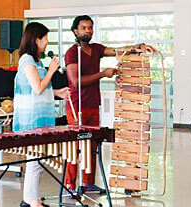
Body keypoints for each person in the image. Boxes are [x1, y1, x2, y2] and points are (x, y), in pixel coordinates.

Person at [64, 15, 156, 193]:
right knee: (75, 148)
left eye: (90, 27)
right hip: (77, 106)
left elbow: (117, 51)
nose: (88, 31)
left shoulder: (96, 49)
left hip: (92, 104)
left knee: (92, 146)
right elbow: (75, 81)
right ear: (75, 31)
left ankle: (88, 183)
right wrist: (102, 74)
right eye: (83, 28)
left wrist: (137, 47)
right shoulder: (72, 52)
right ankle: (70, 185)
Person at [13, 22, 70, 207]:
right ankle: (33, 201)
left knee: (36, 160)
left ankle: (29, 196)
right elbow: (37, 89)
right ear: (36, 39)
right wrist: (52, 70)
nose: (47, 42)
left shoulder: (35, 61)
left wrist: (57, 93)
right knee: (35, 161)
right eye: (45, 38)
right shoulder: (27, 61)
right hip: (31, 120)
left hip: (41, 118)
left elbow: (38, 89)